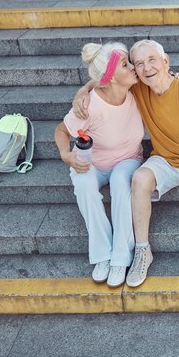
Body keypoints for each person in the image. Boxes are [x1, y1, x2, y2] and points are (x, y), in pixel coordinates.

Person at [73, 39, 179, 287]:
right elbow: (107, 76)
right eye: (139, 63)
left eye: (152, 60)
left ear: (165, 60)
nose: (146, 68)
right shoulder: (138, 87)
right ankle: (143, 250)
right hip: (165, 159)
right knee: (139, 178)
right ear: (134, 69)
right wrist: (83, 91)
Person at [55, 42, 144, 287]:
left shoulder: (136, 90)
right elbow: (62, 130)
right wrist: (66, 155)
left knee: (120, 181)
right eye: (126, 65)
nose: (134, 67)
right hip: (93, 162)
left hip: (128, 159)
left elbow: (162, 75)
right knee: (83, 182)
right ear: (112, 78)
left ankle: (121, 256)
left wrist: (85, 85)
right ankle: (102, 254)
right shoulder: (89, 106)